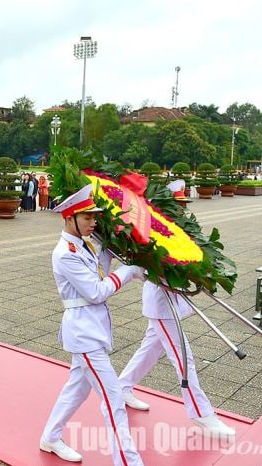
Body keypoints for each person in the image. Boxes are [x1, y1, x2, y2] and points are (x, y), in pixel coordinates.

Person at [39, 184, 145, 464]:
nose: (93, 222)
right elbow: (96, 291)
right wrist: (129, 272)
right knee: (114, 400)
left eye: (95, 217)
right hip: (84, 333)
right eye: (87, 218)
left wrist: (114, 244)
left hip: (91, 329)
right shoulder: (64, 253)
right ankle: (128, 461)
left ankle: (50, 436)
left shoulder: (82, 245)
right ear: (69, 218)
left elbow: (100, 266)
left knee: (76, 389)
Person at [118, 281, 236, 437]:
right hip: (162, 305)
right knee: (184, 360)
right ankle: (200, 412)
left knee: (150, 350)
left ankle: (122, 387)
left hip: (167, 300)